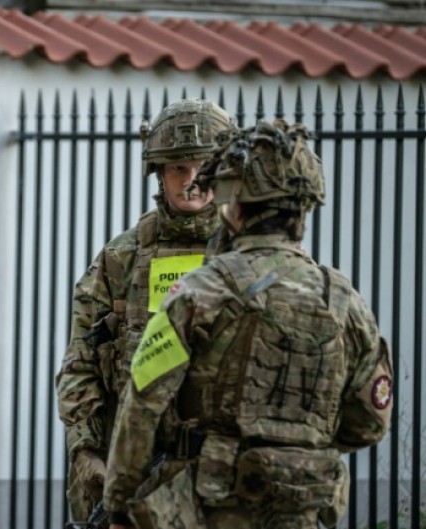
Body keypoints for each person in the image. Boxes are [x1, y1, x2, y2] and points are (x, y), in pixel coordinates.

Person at [104, 120, 393, 529]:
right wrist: (298, 447)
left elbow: (143, 405)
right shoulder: (345, 301)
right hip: (305, 508)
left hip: (213, 507)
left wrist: (120, 505)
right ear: (303, 207)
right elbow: (368, 422)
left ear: (236, 206)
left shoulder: (196, 294)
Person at [55, 99, 235, 521]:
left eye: (201, 167)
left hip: (221, 477)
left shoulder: (244, 256)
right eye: (177, 169)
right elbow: (81, 362)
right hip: (133, 470)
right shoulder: (123, 258)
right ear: (158, 172)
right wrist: (85, 449)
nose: (190, 181)